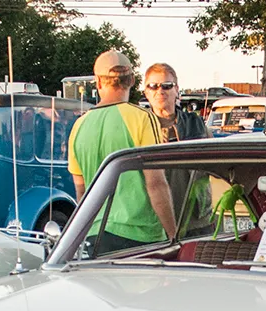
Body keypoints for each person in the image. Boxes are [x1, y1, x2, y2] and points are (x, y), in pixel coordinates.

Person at [66, 49, 175, 253]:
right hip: (140, 235)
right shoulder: (143, 118)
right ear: (132, 80)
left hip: (95, 234)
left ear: (98, 82)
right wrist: (173, 235)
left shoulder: (79, 126)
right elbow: (156, 183)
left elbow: (81, 192)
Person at [142, 63, 208, 143]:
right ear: (146, 92)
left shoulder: (196, 123)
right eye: (153, 86)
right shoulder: (138, 127)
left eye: (166, 85)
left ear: (176, 89)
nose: (160, 91)